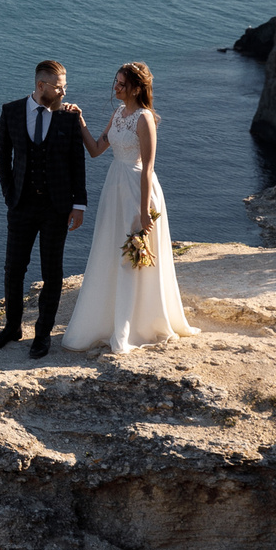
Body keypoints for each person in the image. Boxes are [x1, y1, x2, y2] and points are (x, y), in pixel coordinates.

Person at [60, 61, 197, 354]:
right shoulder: (119, 114)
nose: (116, 88)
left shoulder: (144, 119)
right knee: (112, 249)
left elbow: (148, 167)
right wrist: (79, 120)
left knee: (133, 254)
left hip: (138, 189)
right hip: (115, 188)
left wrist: (145, 211)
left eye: (121, 84)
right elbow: (97, 150)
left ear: (136, 88)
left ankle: (138, 322)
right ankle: (110, 318)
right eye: (117, 82)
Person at [0, 60, 91, 360]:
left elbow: (78, 163)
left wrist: (78, 205)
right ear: (41, 86)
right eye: (59, 86)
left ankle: (42, 335)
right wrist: (10, 195)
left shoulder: (69, 118)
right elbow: (2, 155)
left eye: (65, 86)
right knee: (13, 268)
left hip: (56, 207)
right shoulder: (11, 112)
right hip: (21, 204)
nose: (64, 91)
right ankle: (12, 328)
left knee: (52, 272)